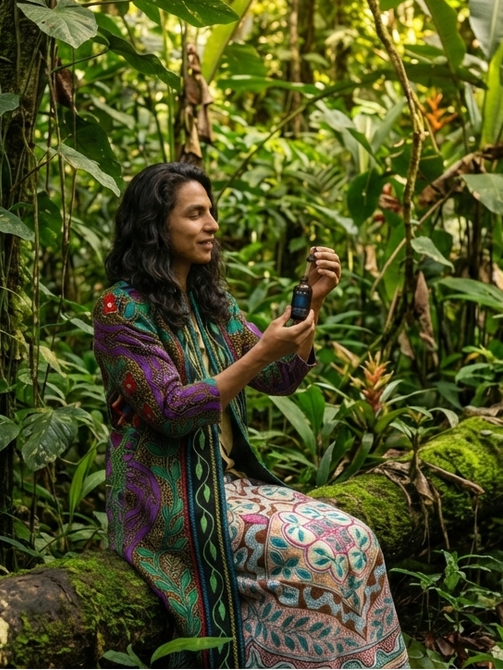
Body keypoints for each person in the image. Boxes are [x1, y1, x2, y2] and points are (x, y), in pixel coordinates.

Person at [93, 162, 407, 669]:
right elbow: (172, 411)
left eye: (211, 212)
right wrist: (260, 351)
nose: (212, 225)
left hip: (228, 485)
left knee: (356, 539)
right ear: (156, 225)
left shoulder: (210, 301)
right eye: (196, 215)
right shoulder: (120, 311)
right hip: (166, 498)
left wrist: (311, 310)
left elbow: (277, 377)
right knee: (313, 557)